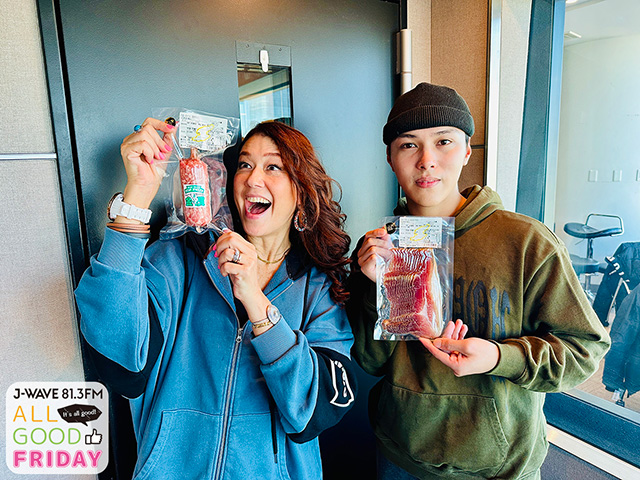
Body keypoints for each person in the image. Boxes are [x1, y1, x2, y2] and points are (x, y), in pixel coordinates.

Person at [346, 82, 611, 479]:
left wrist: (500, 358)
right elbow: (371, 361)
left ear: (467, 150)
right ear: (390, 157)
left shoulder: (526, 241)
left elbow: (584, 350)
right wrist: (373, 287)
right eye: (409, 145)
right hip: (400, 457)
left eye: (444, 142)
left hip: (499, 469)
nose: (427, 161)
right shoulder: (382, 248)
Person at [75, 119, 357, 479]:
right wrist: (138, 195)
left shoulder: (320, 289)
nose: (253, 179)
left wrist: (256, 301)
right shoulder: (181, 258)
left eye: (273, 167)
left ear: (301, 191)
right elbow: (119, 354)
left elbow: (311, 410)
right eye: (245, 164)